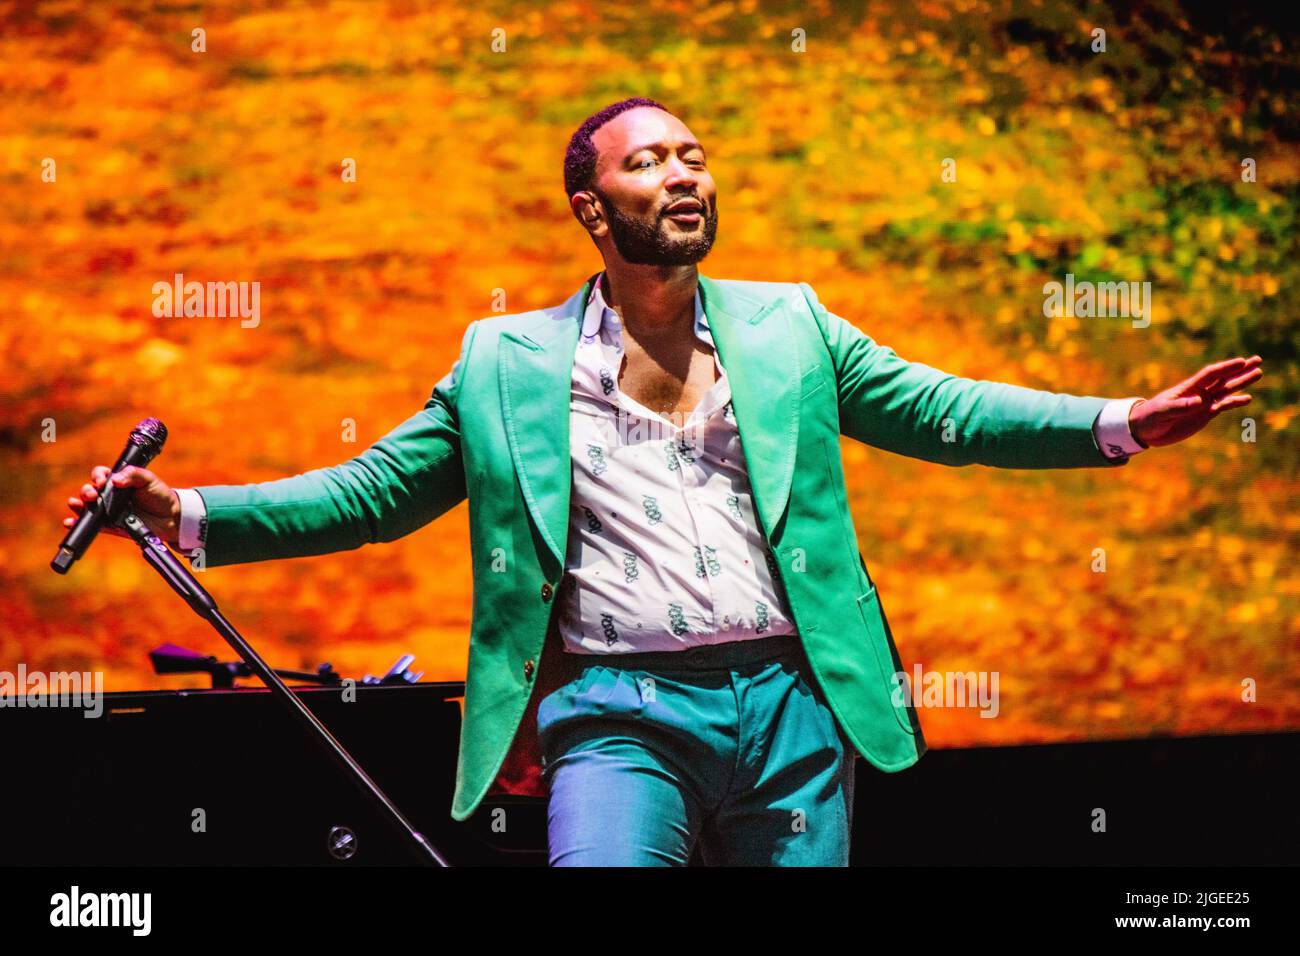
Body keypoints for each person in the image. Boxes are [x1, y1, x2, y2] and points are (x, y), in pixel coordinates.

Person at [65, 97, 1264, 866]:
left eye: (695, 156)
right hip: (619, 716)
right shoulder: (507, 361)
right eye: (650, 162)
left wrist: (1119, 422)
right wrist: (190, 512)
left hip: (794, 709)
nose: (684, 175)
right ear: (594, 207)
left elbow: (942, 409)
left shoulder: (789, 326)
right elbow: (376, 490)